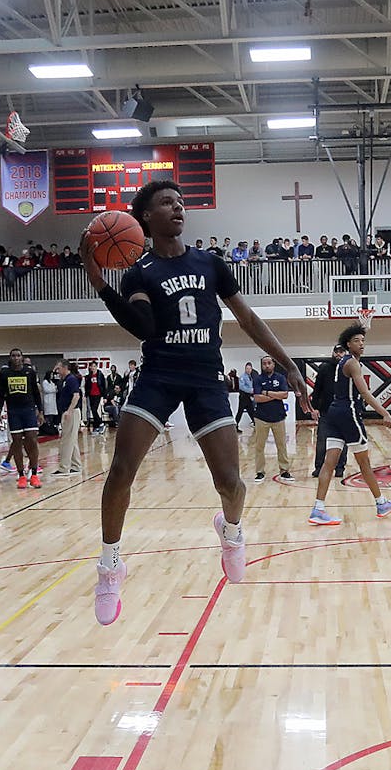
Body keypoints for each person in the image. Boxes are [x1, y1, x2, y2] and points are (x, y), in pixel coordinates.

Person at [83, 178, 307, 626]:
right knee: (121, 470)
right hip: (159, 376)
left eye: (181, 202)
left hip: (206, 378)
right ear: (144, 217)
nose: (178, 208)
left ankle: (232, 530)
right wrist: (99, 283)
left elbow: (247, 317)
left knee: (232, 483)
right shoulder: (139, 271)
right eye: (167, 203)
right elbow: (143, 327)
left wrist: (289, 364)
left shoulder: (210, 264)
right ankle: (110, 566)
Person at [308, 323, 391, 526]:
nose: (361, 344)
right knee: (364, 462)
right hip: (348, 413)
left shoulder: (343, 362)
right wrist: (385, 413)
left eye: (363, 340)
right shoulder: (352, 364)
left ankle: (318, 508)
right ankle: (381, 503)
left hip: (333, 413)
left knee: (329, 463)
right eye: (357, 341)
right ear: (348, 344)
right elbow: (365, 393)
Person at [0, 348, 44, 489]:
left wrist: (40, 411)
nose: (16, 358)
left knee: (32, 439)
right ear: (10, 358)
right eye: (13, 356)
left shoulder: (29, 372)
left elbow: (36, 393)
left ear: (22, 358)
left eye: (18, 355)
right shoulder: (4, 373)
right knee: (16, 442)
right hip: (13, 411)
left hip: (28, 410)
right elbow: (1, 394)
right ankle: (21, 475)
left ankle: (34, 473)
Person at [249, 356, 294, 481]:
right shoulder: (258, 379)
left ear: (273, 364)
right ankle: (260, 472)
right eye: (264, 364)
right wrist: (276, 395)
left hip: (278, 417)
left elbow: (285, 394)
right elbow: (257, 398)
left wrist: (267, 393)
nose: (267, 365)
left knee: (282, 446)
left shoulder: (280, 378)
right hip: (261, 418)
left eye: (269, 363)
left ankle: (284, 471)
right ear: (262, 365)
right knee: (259, 446)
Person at [310, 345, 348, 480]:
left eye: (341, 352)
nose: (338, 354)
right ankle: (319, 468)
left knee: (343, 442)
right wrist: (314, 407)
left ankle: (339, 468)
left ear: (345, 353)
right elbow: (317, 389)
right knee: (322, 441)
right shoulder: (324, 368)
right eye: (336, 352)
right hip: (326, 411)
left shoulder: (350, 367)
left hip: (344, 411)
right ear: (333, 353)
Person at [53, 360, 84, 475]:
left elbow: (76, 396)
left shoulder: (71, 379)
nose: (57, 371)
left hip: (72, 412)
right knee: (72, 440)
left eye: (59, 368)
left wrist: (69, 411)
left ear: (65, 368)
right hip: (68, 412)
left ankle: (64, 468)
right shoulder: (64, 380)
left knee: (66, 440)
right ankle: (76, 466)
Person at [235, 361, 257, 430]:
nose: (248, 370)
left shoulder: (251, 377)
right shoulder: (242, 377)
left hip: (248, 397)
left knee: (251, 411)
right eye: (247, 368)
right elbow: (242, 387)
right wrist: (251, 390)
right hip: (243, 397)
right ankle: (236, 425)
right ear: (245, 369)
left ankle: (256, 424)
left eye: (250, 369)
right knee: (240, 412)